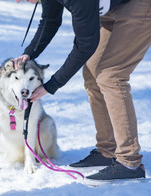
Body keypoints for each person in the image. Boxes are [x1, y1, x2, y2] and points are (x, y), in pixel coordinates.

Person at [14, 0, 151, 181]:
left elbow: (85, 44)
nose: (18, 1)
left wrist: (51, 85)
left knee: (111, 76)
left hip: (138, 6)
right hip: (108, 11)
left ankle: (129, 161)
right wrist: (30, 52)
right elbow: (50, 20)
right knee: (92, 73)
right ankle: (107, 150)